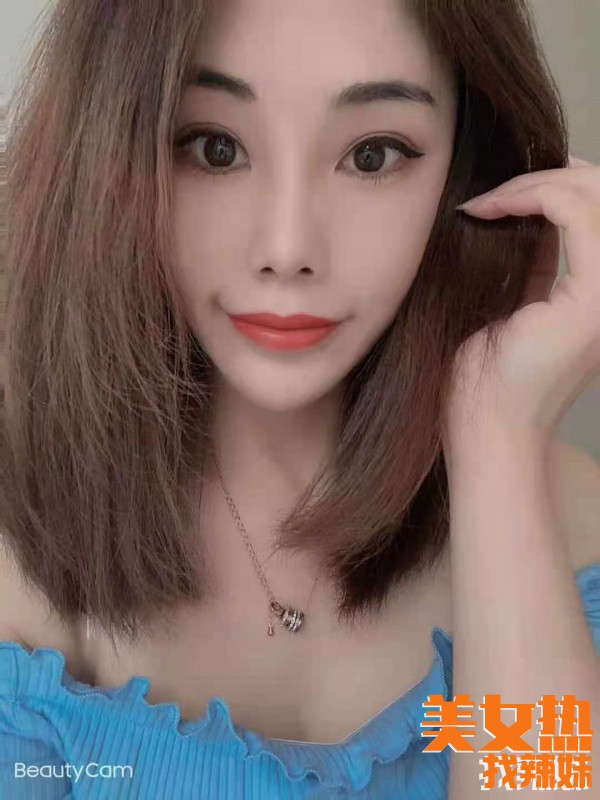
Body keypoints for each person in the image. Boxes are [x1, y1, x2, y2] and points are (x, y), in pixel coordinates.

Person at [0, 0, 599, 797]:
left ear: (469, 169)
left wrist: (497, 440)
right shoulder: (22, 542)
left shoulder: (571, 528)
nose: (287, 249)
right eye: (215, 148)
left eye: (373, 155)